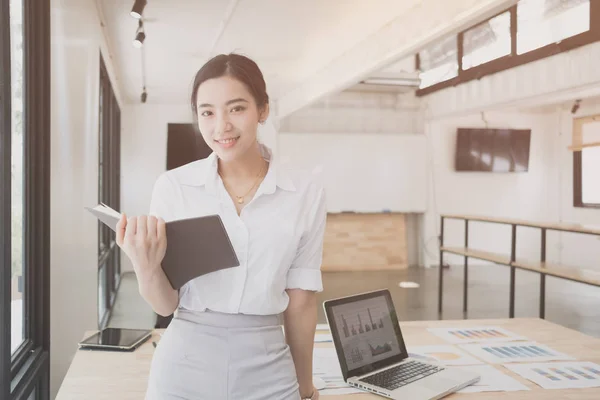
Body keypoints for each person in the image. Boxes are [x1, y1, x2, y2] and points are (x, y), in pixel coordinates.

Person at [115, 53, 326, 400]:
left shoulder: (304, 192)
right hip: (184, 366)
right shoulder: (174, 187)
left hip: (270, 367)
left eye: (237, 108)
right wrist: (145, 265)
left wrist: (304, 386)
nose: (221, 126)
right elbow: (165, 305)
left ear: (263, 109)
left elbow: (301, 302)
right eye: (207, 112)